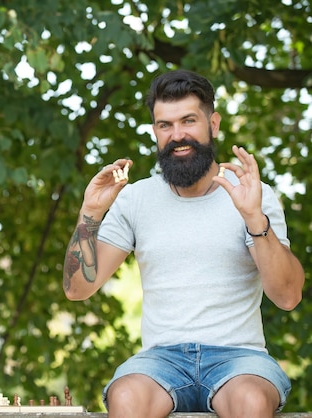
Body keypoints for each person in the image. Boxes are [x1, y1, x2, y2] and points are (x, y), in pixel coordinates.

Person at [63, 70, 304, 418]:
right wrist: (90, 213)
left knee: (251, 401)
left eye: (189, 121)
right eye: (165, 125)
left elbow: (287, 296)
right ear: (155, 131)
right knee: (126, 396)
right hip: (160, 361)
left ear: (214, 123)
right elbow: (77, 289)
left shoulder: (253, 195)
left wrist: (254, 219)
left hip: (239, 359)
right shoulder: (136, 199)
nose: (178, 135)